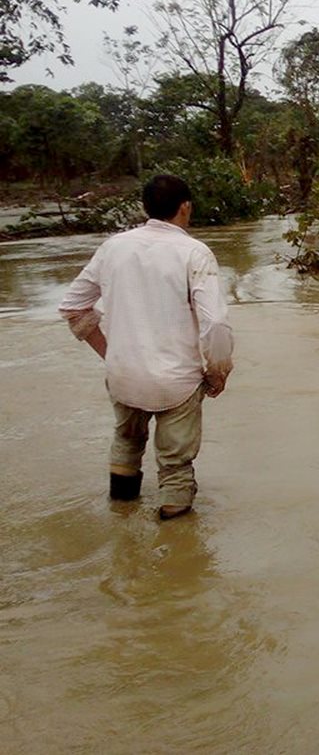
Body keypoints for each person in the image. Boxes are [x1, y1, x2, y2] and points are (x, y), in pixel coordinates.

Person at [57, 175, 234, 521]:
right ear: (185, 208)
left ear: (145, 208)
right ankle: (174, 549)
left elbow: (73, 307)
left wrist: (110, 354)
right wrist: (218, 372)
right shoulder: (194, 252)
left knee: (126, 442)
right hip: (176, 382)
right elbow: (214, 324)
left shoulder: (114, 247)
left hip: (122, 375)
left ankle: (121, 522)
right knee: (175, 464)